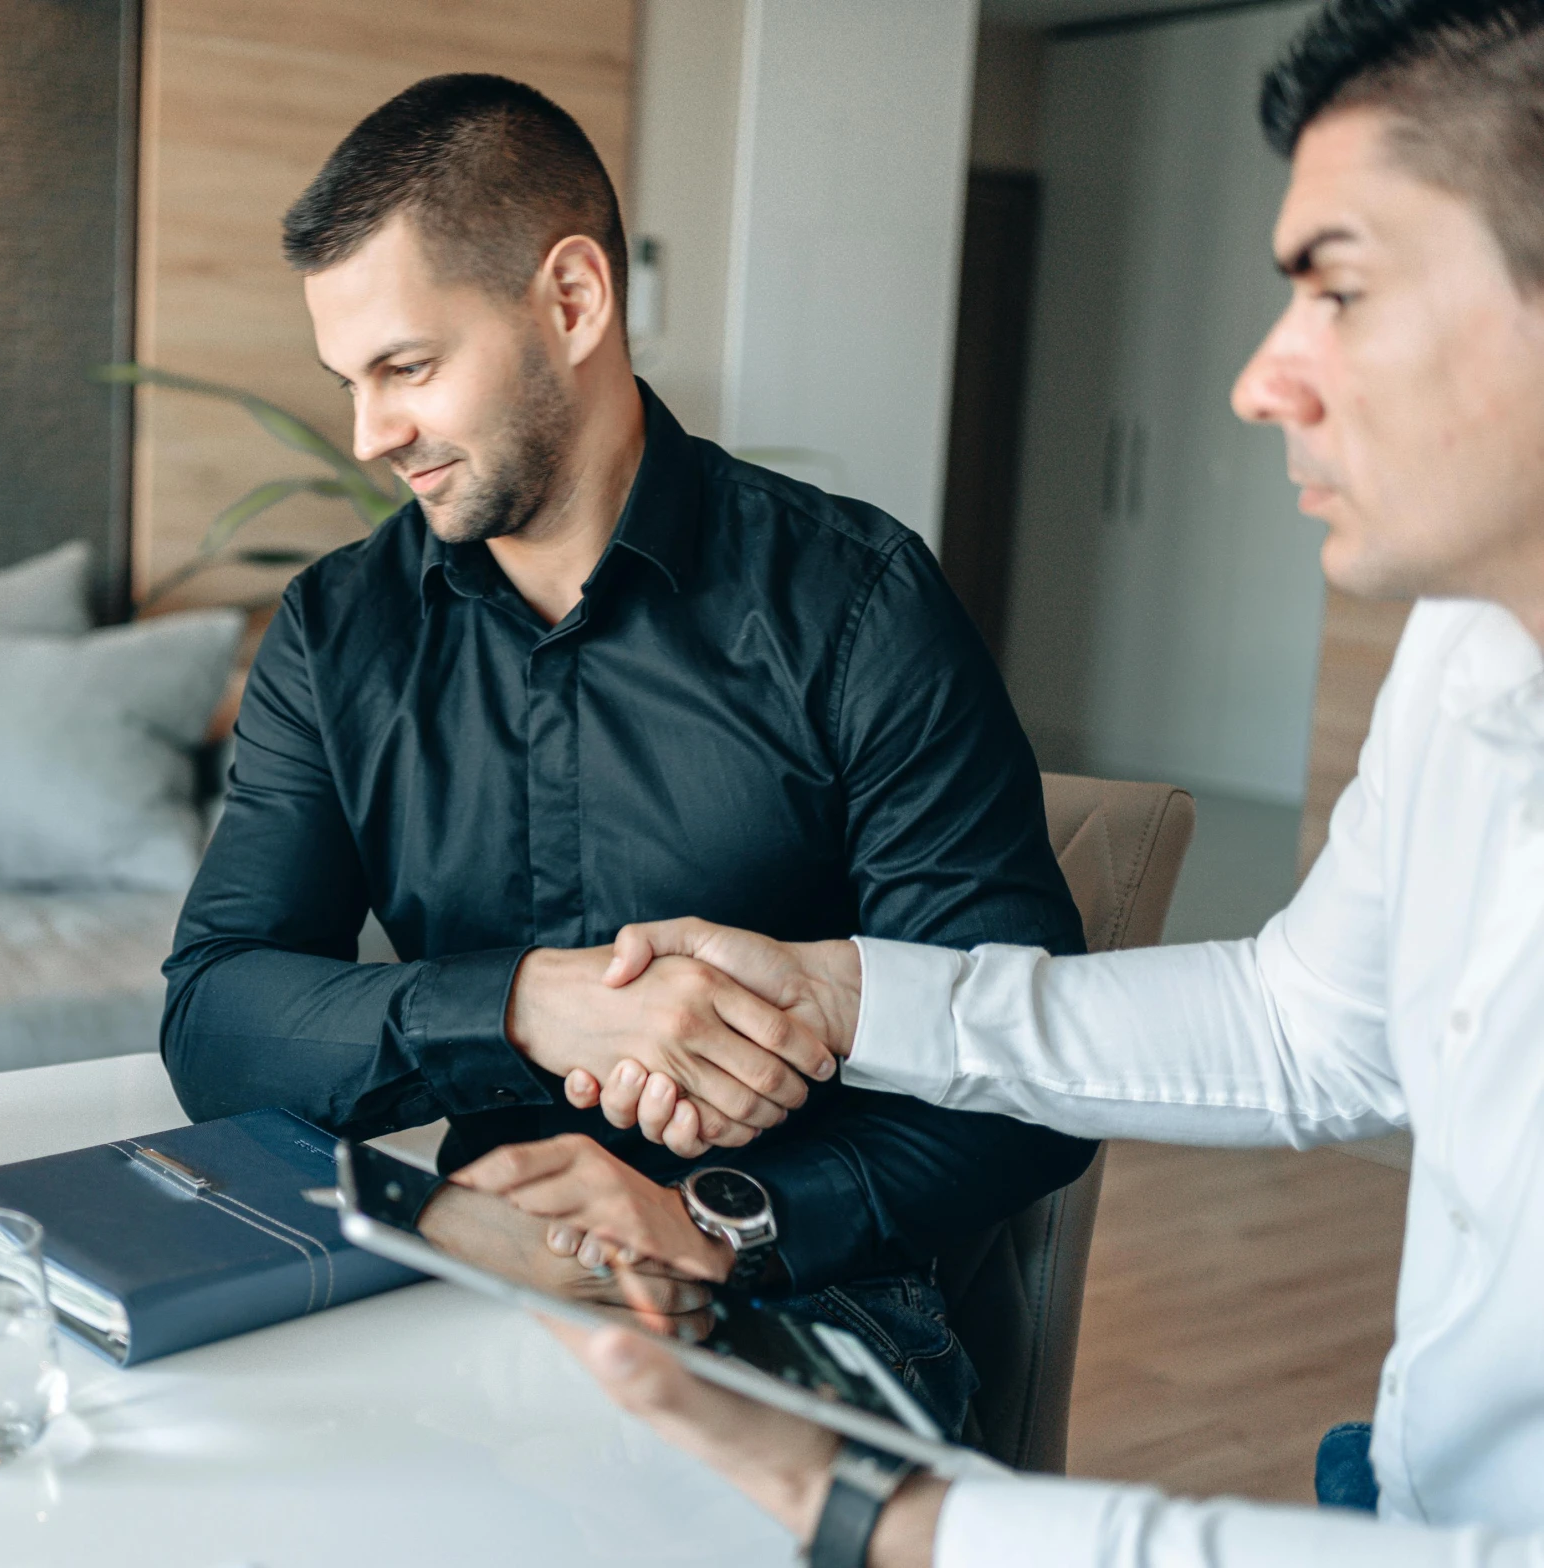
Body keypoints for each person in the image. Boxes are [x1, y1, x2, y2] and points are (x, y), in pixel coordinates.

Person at [516, 1, 1544, 1562]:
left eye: (1337, 289)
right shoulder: (1471, 652)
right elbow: (1301, 1030)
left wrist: (885, 1508)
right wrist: (836, 995)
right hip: (1396, 1482)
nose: (1260, 381)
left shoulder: (850, 595)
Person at [158, 72, 1095, 1434]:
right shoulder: (337, 630)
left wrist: (711, 1215)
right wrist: (528, 1005)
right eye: (349, 383)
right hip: (475, 1275)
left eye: (407, 367)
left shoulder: (855, 604)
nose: (368, 438)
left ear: (574, 299)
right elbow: (214, 1019)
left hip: (799, 1290)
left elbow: (1032, 1073)